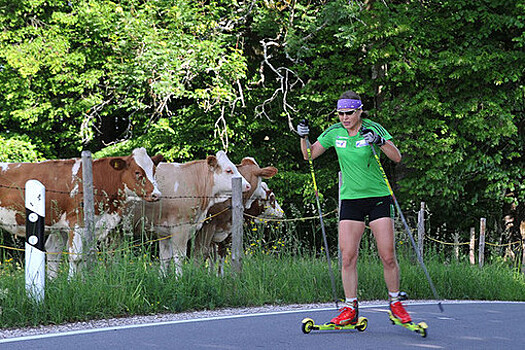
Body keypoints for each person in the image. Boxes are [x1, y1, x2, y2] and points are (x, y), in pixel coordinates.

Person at [297, 90, 412, 325]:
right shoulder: (334, 132)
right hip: (350, 200)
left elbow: (397, 157)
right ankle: (350, 307)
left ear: (359, 111)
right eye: (340, 113)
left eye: (349, 113)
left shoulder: (372, 127)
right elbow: (309, 155)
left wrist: (379, 141)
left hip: (379, 197)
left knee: (387, 255)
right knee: (348, 257)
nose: (345, 117)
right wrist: (303, 137)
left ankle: (395, 302)